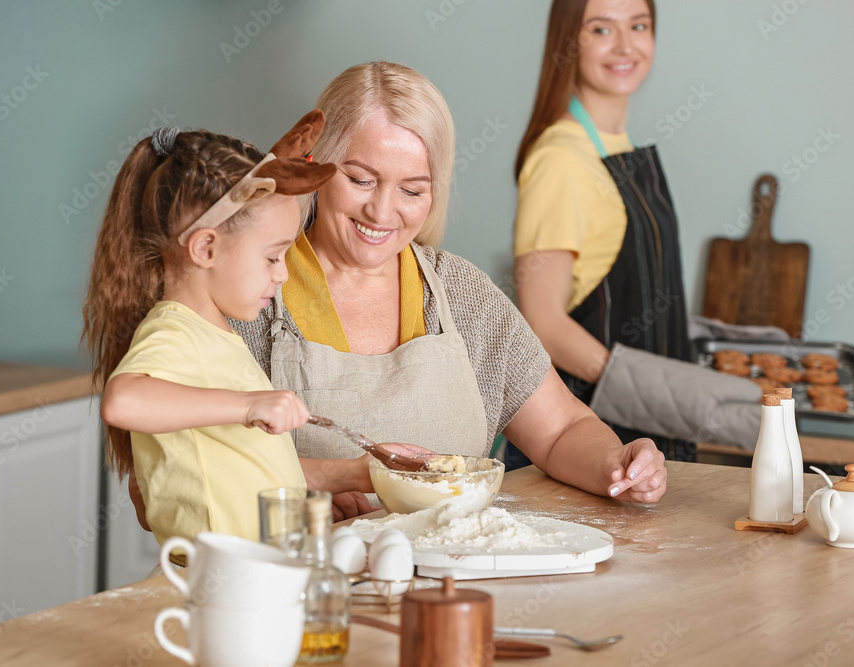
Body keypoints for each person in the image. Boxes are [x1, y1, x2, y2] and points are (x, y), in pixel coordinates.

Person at [220, 60, 668, 514]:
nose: (381, 211)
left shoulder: (460, 294)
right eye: (361, 180)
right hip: (310, 577)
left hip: (454, 572)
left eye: (412, 191)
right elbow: (197, 465)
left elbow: (560, 430)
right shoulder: (252, 294)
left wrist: (616, 464)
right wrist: (305, 493)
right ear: (314, 167)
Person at [83, 112, 395, 544]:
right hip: (216, 577)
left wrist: (348, 476)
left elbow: (235, 462)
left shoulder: (217, 331)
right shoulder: (174, 330)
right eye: (272, 257)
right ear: (206, 247)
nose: (282, 274)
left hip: (255, 567)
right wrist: (249, 405)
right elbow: (123, 401)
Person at [513, 0, 699, 463]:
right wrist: (645, 390)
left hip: (652, 424)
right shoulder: (561, 159)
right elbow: (543, 322)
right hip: (592, 436)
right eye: (600, 29)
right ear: (568, 41)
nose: (625, 45)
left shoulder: (621, 148)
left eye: (639, 25)